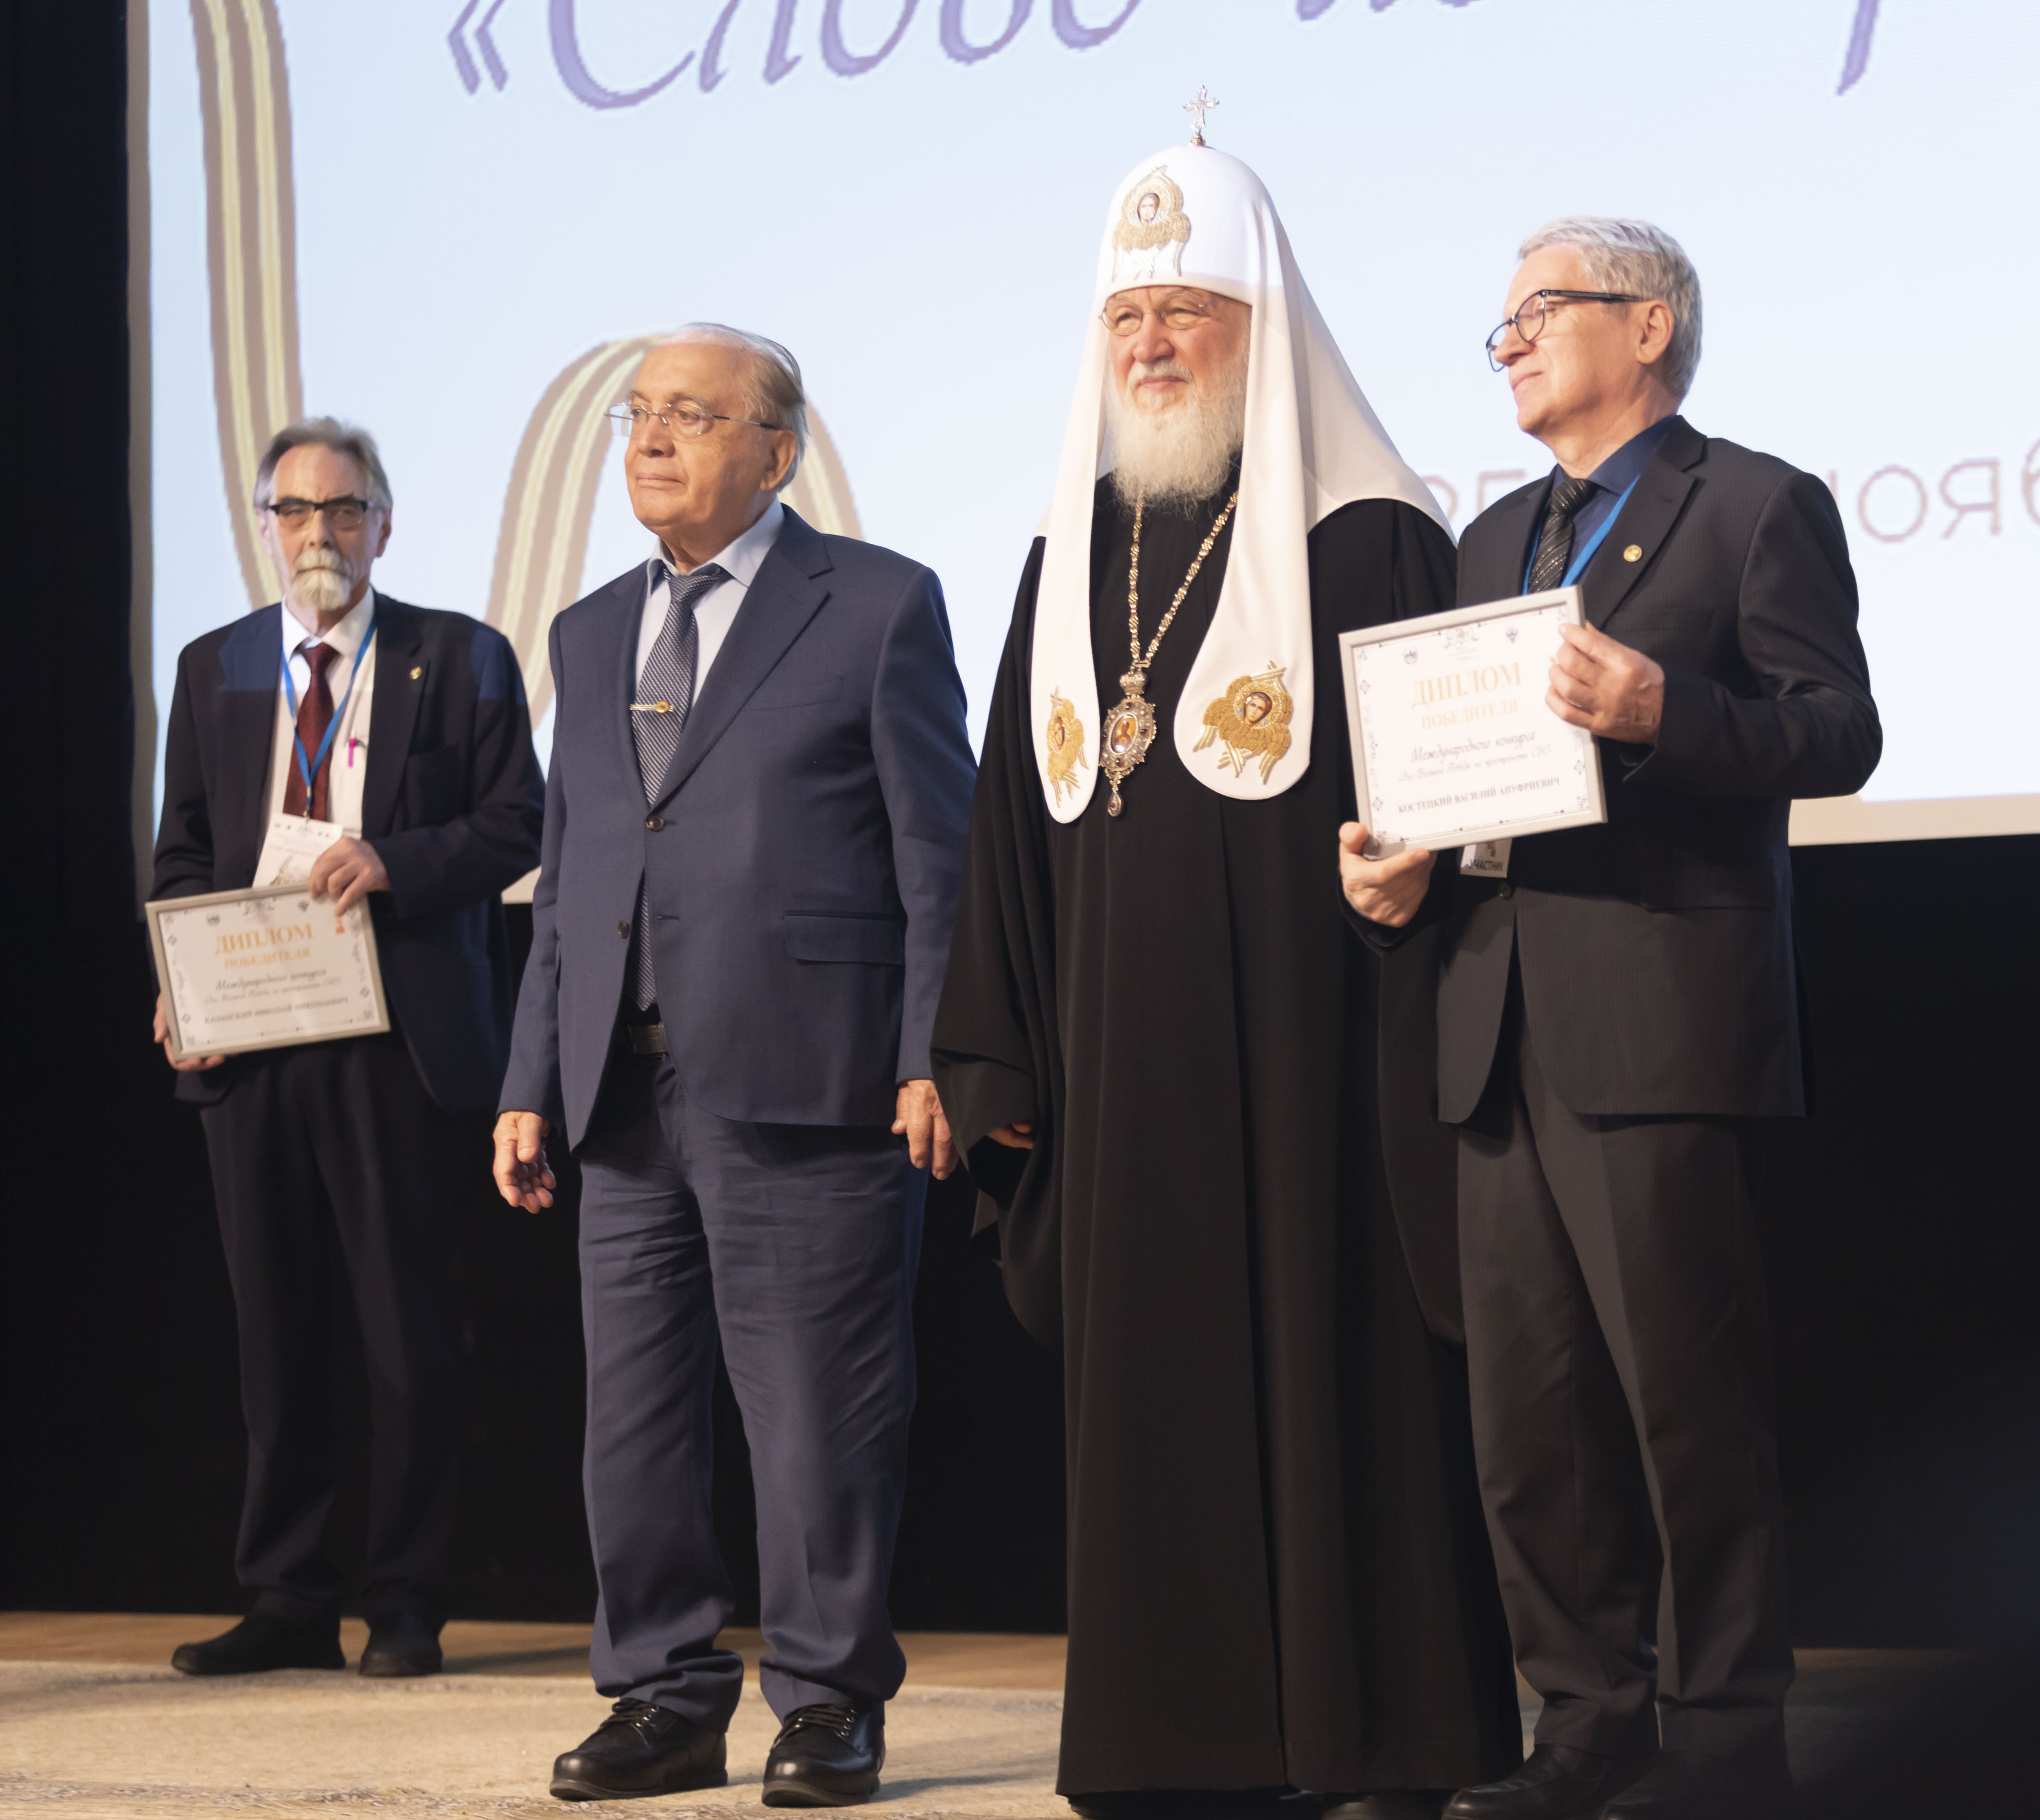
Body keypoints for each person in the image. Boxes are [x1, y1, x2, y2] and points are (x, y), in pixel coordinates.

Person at [931, 140, 1522, 1815]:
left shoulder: (1372, 535)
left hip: (1315, 1054)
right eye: (1126, 316)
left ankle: (1378, 1737)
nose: (1151, 344)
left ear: (1264, 324)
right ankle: (1167, 1747)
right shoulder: (1065, 556)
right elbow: (1006, 824)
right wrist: (994, 1056)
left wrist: (1418, 877)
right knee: (1150, 1407)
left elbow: (1457, 799)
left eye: (1186, 310)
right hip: (1118, 1073)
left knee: (1342, 1376)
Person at [1340, 219, 1883, 1820]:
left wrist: (1667, 712)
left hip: (1661, 1020)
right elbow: (1467, 775)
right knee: (1531, 1424)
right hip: (1491, 1018)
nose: (1507, 341)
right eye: (1499, 324)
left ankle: (1723, 1743)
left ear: (1649, 327)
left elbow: (1838, 733)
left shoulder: (1755, 504)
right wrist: (1401, 869)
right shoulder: (1492, 534)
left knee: (1684, 1411)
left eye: (1538, 311)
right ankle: (1585, 1722)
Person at [492, 325, 973, 1806]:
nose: (651, 437)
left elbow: (939, 856)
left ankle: (827, 1701)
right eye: (639, 413)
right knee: (631, 1429)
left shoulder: (878, 604)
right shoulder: (589, 632)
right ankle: (663, 1695)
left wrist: (934, 1052)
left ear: (777, 449)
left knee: (820, 1425)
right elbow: (572, 874)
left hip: (810, 1081)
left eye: (691, 415)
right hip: (620, 1095)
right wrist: (527, 1077)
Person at [152, 418, 545, 1678]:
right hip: (253, 1041)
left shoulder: (463, 656)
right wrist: (178, 984)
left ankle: (406, 1598)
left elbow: (520, 824)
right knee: (275, 1337)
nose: (318, 531)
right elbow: (182, 850)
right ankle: (287, 1597)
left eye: (343, 509)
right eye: (295, 510)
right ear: (265, 526)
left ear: (384, 524)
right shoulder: (213, 665)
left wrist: (395, 861)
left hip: (399, 1042)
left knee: (404, 1335)